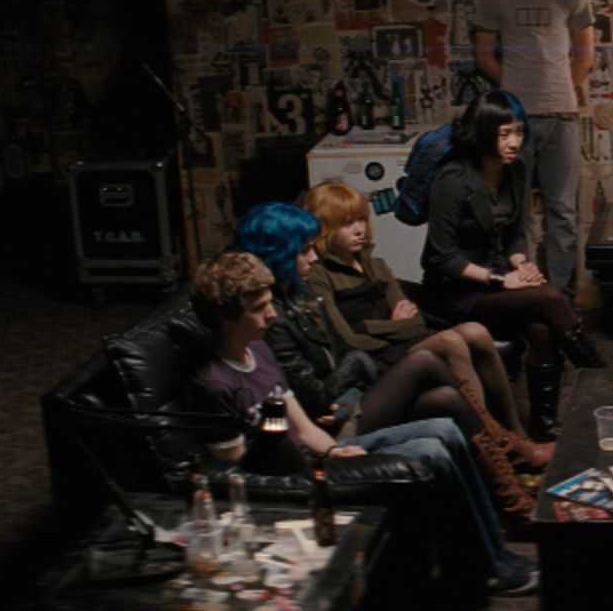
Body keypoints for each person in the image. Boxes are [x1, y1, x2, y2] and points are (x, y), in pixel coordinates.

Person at [184, 252, 538, 599]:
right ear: (226, 317)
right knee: (430, 449)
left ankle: (492, 549)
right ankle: (480, 568)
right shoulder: (213, 384)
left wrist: (335, 451)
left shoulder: (259, 351)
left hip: (321, 457)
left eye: (269, 303)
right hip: (294, 478)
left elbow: (304, 428)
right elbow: (238, 476)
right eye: (259, 308)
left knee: (445, 427)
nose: (272, 314)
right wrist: (322, 464)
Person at [231, 203, 541, 517]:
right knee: (425, 361)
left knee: (445, 397)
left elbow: (344, 353)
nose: (313, 257)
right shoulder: (271, 317)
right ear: (278, 255)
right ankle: (509, 460)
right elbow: (321, 395)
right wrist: (355, 371)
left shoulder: (302, 295)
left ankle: (506, 489)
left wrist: (352, 377)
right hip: (332, 427)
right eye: (303, 251)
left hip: (350, 398)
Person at [420, 90, 604, 442]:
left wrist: (521, 264)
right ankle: (606, 384)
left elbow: (516, 234)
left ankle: (544, 427)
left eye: (519, 132)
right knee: (550, 298)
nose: (514, 142)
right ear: (483, 133)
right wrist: (500, 279)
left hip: (497, 280)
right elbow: (441, 257)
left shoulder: (515, 171)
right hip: (454, 290)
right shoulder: (453, 179)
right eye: (504, 134)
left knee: (543, 329)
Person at [302, 181, 531, 441]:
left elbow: (416, 323)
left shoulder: (376, 265)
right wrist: (394, 325)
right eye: (347, 224)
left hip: (405, 345)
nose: (359, 230)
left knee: (475, 331)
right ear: (324, 229)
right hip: (376, 361)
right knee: (449, 340)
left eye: (361, 220)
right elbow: (348, 341)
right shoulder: (320, 275)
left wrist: (376, 327)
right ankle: (490, 437)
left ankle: (517, 434)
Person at [474, 0, 594, 298]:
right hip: (514, 119)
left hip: (562, 117)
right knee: (514, 212)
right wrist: (512, 89)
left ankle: (560, 298)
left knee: (563, 212)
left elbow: (586, 54)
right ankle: (524, 295)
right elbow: (484, 56)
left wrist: (563, 87)